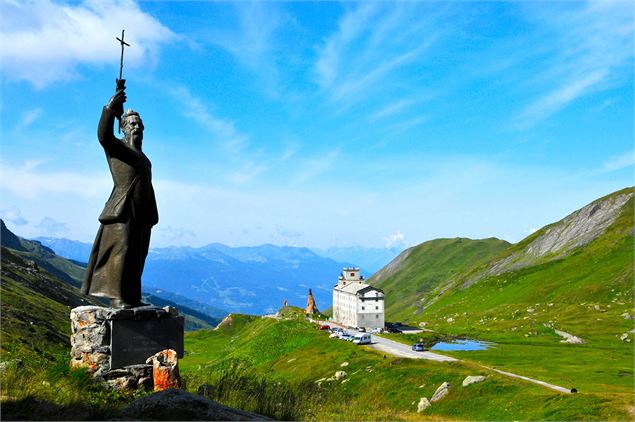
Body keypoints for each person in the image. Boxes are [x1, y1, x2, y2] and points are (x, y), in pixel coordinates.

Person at [82, 87, 158, 309]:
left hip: (143, 212)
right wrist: (110, 108)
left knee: (137, 255)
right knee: (121, 252)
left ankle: (132, 295)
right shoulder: (119, 149)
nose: (137, 128)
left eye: (139, 125)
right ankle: (117, 297)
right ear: (123, 128)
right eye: (132, 124)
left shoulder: (144, 158)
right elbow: (103, 135)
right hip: (122, 210)